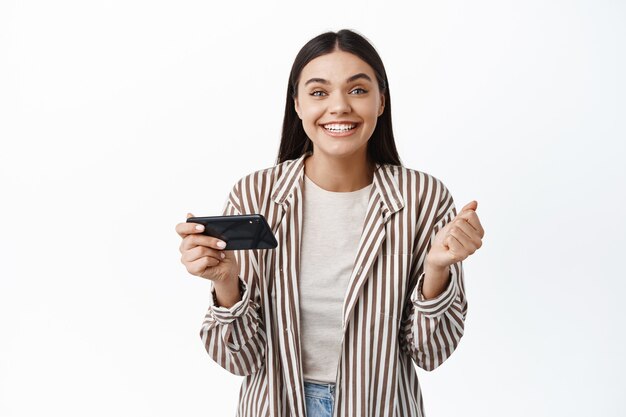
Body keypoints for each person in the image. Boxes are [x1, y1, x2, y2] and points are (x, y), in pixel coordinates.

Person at [175, 29, 484, 417]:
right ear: (297, 105)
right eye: (319, 92)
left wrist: (437, 270)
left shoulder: (423, 198)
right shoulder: (255, 193)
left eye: (357, 90)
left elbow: (430, 352)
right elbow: (240, 359)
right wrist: (225, 283)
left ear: (381, 101)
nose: (339, 106)